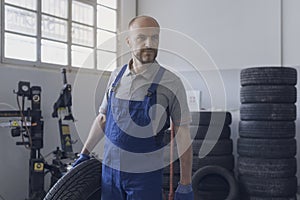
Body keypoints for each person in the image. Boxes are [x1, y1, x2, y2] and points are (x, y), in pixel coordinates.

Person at [73, 15, 194, 200]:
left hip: (144, 177)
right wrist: (84, 154)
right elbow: (103, 119)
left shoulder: (171, 82)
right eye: (141, 37)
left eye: (154, 37)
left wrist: (185, 182)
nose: (149, 43)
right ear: (129, 41)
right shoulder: (116, 76)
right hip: (110, 173)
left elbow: (182, 133)